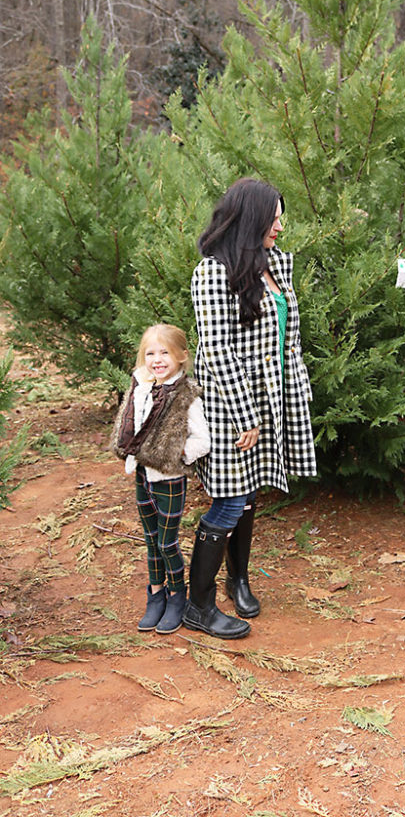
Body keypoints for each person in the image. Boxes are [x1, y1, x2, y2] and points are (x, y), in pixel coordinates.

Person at [183, 177, 317, 639]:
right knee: (230, 498)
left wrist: (294, 386)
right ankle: (198, 606)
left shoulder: (274, 264)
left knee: (249, 489)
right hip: (233, 404)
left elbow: (289, 333)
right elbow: (216, 352)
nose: (280, 225)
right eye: (274, 217)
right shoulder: (213, 273)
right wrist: (247, 417)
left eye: (281, 216)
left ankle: (236, 579)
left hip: (271, 397)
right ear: (251, 218)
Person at [111, 324, 210, 634]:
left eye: (165, 352)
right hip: (143, 474)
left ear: (181, 356)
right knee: (151, 540)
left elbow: (203, 440)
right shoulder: (141, 389)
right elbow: (133, 427)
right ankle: (155, 594)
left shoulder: (186, 395)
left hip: (168, 477)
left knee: (167, 541)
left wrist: (176, 453)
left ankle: (177, 594)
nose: (157, 359)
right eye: (150, 353)